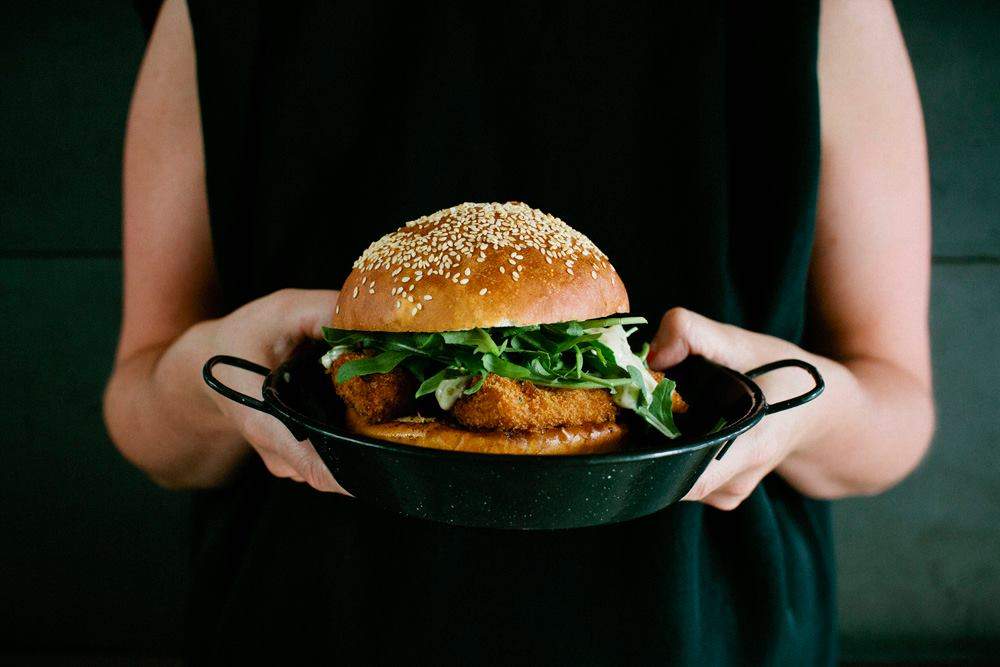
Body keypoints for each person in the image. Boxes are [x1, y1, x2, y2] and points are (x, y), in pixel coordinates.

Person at [105, 0, 933, 663]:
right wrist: (221, 376)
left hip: (704, 628)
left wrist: (786, 407)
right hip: (301, 622)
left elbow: (898, 411)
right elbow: (141, 416)